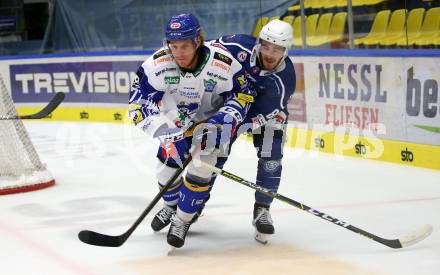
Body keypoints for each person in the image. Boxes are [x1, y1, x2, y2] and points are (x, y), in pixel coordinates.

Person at [128, 13, 254, 249]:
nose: (179, 53)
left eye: (185, 46)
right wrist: (163, 131)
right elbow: (138, 102)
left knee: (201, 171)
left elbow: (243, 94)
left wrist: (222, 121)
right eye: (173, 46)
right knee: (165, 173)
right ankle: (170, 205)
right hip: (176, 126)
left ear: (198, 40)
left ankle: (182, 220)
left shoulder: (222, 63)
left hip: (212, 126)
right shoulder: (157, 65)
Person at [210, 19, 296, 244]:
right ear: (259, 42)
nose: (270, 53)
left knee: (271, 158)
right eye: (266, 45)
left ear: (285, 51)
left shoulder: (286, 79)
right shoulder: (237, 45)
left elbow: (263, 115)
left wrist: (233, 128)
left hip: (268, 116)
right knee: (212, 154)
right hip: (232, 106)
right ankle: (192, 207)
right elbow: (205, 53)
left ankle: (263, 208)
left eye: (277, 49)